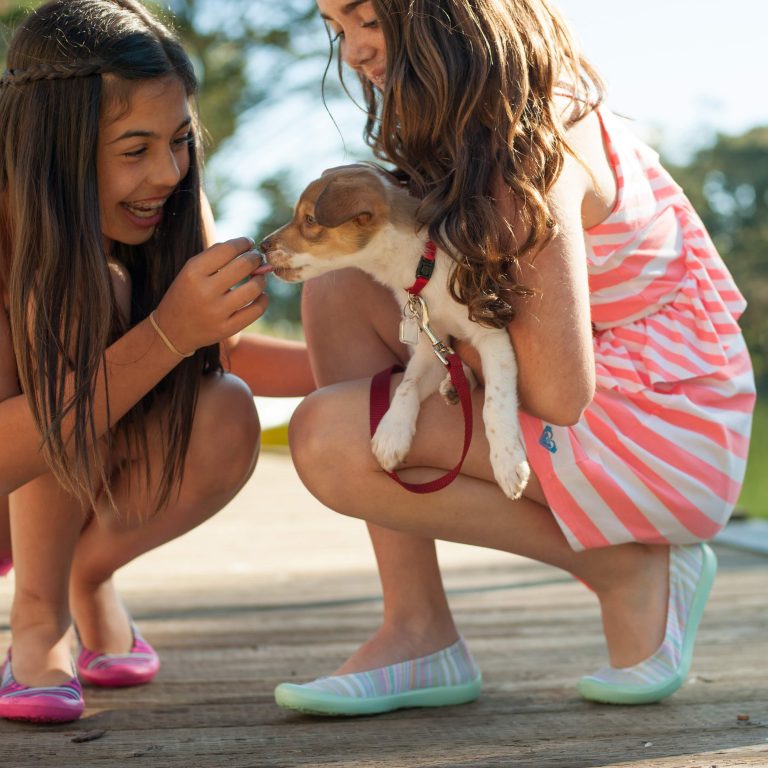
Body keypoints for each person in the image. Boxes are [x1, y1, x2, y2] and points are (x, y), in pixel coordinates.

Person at [273, 0, 756, 715]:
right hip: (643, 398)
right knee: (342, 286)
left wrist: (444, 355)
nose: (352, 52)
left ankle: (624, 566)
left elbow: (561, 393)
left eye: (366, 19)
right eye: (337, 30)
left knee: (331, 440)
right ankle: (418, 629)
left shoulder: (530, 156)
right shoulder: (484, 135)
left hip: (668, 431)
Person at [0, 0, 312, 724]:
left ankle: (89, 574)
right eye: (134, 150)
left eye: (179, 141)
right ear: (54, 146)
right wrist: (168, 330)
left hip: (75, 477)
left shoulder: (170, 204)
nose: (169, 172)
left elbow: (223, 358)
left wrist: (383, 367)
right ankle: (39, 617)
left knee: (224, 405)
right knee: (78, 293)